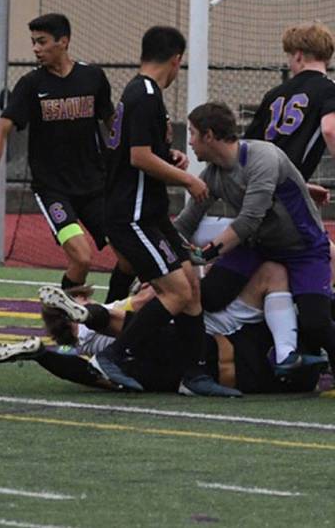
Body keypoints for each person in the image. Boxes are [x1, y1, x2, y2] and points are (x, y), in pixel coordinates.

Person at [92, 26, 238, 396]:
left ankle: (194, 374)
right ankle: (114, 355)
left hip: (148, 212)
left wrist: (169, 157)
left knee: (190, 284)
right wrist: (186, 179)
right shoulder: (143, 95)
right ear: (176, 60)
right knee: (174, 291)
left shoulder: (142, 93)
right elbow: (137, 157)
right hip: (134, 215)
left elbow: (140, 151)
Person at [0, 13, 135, 303]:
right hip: (55, 191)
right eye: (33, 42)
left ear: (63, 41)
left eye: (42, 42)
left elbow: (112, 123)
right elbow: (1, 130)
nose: (36, 48)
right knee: (81, 257)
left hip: (96, 187)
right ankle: (66, 322)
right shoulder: (31, 85)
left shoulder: (92, 77)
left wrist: (144, 149)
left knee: (130, 258)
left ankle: (109, 319)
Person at [173, 101, 335, 376]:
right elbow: (185, 223)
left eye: (192, 133)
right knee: (209, 297)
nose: (189, 141)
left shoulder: (262, 157)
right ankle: (255, 347)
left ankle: (308, 354)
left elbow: (249, 220)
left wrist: (204, 255)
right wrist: (162, 258)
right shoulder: (212, 175)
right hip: (259, 246)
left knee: (316, 322)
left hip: (303, 248)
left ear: (209, 135)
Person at [0, 265, 326, 395]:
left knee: (115, 373)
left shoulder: (300, 368)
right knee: (126, 353)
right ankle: (45, 350)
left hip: (189, 365)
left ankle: (42, 352)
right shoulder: (297, 360)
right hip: (198, 358)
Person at [244, 20, 335, 189]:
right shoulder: (329, 89)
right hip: (286, 187)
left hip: (259, 181)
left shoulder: (274, 94)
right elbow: (330, 129)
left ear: (298, 56)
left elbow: (249, 143)